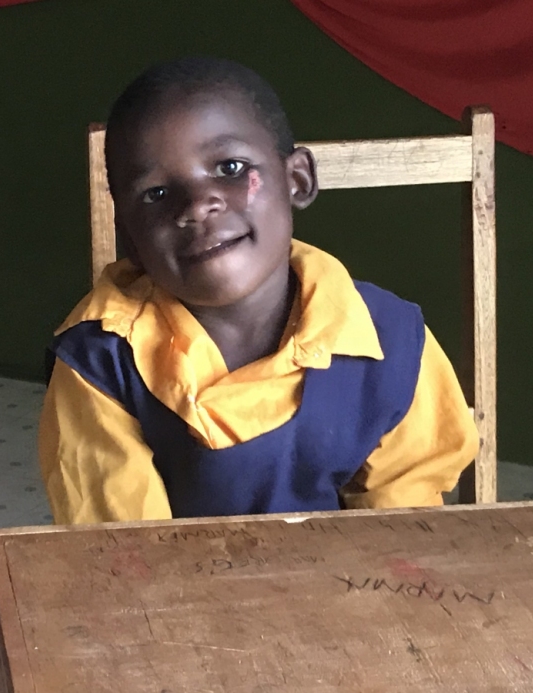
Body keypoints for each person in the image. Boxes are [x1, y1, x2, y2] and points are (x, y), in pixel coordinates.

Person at [39, 56, 479, 524]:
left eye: (229, 167)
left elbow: (397, 531)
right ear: (129, 237)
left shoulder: (389, 342)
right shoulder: (99, 363)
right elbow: (123, 553)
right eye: (157, 194)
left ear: (298, 180)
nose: (197, 206)